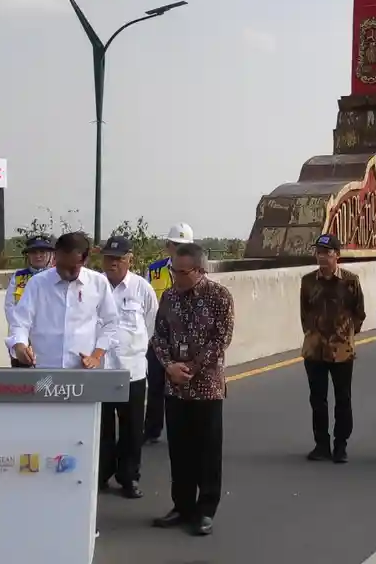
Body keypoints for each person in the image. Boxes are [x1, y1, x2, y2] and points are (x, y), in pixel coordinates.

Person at [150, 243, 234, 537]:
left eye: (181, 271)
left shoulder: (219, 297)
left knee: (207, 453)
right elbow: (158, 336)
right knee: (180, 451)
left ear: (199, 271)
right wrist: (170, 365)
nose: (175, 276)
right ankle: (182, 506)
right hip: (175, 389)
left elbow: (221, 338)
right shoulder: (169, 296)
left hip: (207, 388)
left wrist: (193, 367)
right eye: (172, 270)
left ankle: (205, 510)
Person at [98, 235, 159, 499]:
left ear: (129, 259)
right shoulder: (92, 287)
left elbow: (151, 326)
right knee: (101, 428)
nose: (112, 264)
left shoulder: (141, 288)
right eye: (108, 258)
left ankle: (129, 477)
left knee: (132, 428)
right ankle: (99, 474)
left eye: (118, 259)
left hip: (131, 370)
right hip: (98, 370)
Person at [7, 232, 119, 370]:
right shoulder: (37, 283)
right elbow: (20, 322)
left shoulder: (98, 283)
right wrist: (19, 345)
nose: (65, 273)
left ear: (84, 260)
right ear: (55, 257)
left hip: (83, 371)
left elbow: (111, 322)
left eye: (72, 268)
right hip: (45, 370)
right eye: (61, 266)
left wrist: (96, 356)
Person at [299, 233, 366, 463]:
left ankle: (341, 445)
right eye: (319, 252)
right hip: (314, 350)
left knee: (343, 399)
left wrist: (345, 336)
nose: (322, 257)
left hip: (341, 352)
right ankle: (321, 444)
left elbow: (359, 313)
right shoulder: (307, 281)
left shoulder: (350, 281)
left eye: (327, 253)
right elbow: (304, 314)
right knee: (317, 399)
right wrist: (314, 334)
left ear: (337, 255)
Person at [143, 222, 196, 443]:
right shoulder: (153, 271)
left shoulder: (198, 271)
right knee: (155, 386)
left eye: (185, 246)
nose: (180, 250)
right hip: (158, 338)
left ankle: (186, 429)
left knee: (186, 387)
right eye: (176, 245)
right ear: (168, 246)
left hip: (186, 339)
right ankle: (152, 430)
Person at [4, 235, 55, 367]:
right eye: (34, 252)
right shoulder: (19, 276)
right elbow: (10, 307)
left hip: (49, 339)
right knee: (23, 382)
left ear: (50, 254)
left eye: (42, 252)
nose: (38, 256)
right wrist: (22, 335)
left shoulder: (56, 276)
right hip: (23, 340)